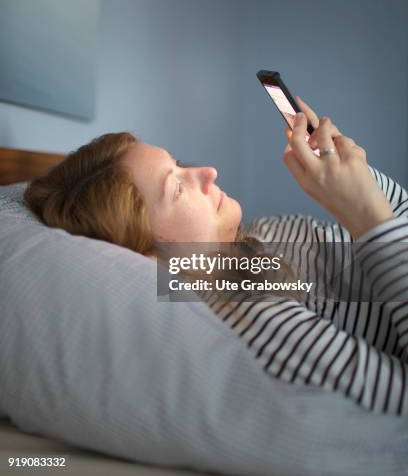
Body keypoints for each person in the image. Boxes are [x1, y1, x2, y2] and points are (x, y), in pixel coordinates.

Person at [23, 97, 408, 416]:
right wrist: (369, 219)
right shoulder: (251, 317)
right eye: (176, 188)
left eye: (178, 165)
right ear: (147, 254)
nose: (206, 172)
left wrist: (361, 179)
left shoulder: (266, 233)